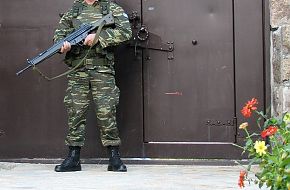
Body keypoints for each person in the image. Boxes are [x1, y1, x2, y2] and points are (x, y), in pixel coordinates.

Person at [53, 0, 132, 172]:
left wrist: (98, 37)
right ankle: (73, 158)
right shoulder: (74, 10)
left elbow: (126, 32)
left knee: (106, 111)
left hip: (102, 69)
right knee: (75, 110)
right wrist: (62, 46)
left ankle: (114, 157)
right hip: (78, 69)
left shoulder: (110, 8)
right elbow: (59, 36)